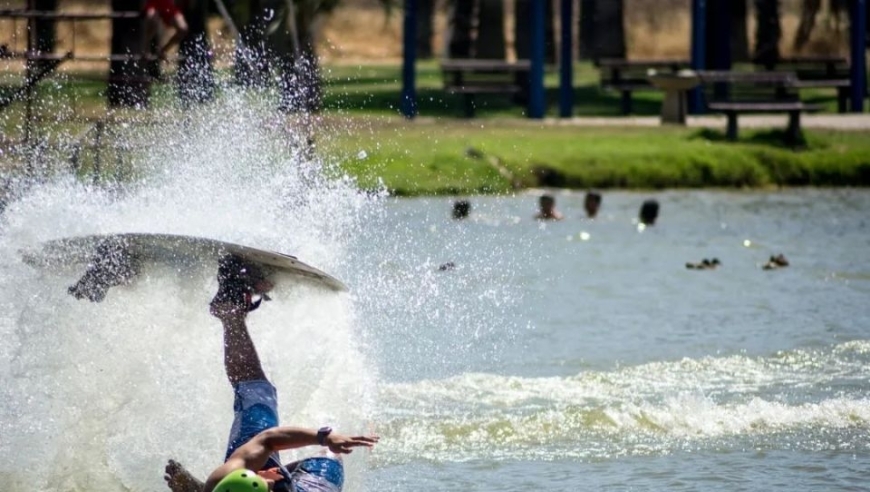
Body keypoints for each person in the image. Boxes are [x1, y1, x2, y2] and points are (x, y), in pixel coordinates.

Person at [163, 256, 378, 492]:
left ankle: (230, 310)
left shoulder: (223, 479)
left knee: (258, 397)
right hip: (314, 487)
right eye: (264, 480)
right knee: (331, 456)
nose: (266, 477)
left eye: (260, 477)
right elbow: (270, 443)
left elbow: (266, 439)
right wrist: (326, 439)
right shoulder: (249, 480)